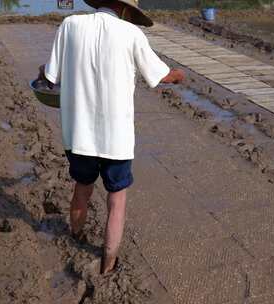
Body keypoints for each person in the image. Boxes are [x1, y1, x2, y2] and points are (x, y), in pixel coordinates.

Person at [38, 0, 185, 274]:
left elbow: (50, 77)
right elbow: (160, 75)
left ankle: (76, 236)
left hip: (78, 134)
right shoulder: (132, 34)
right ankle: (108, 264)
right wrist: (177, 75)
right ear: (126, 10)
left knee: (82, 188)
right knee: (116, 201)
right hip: (116, 140)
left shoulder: (70, 25)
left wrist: (45, 74)